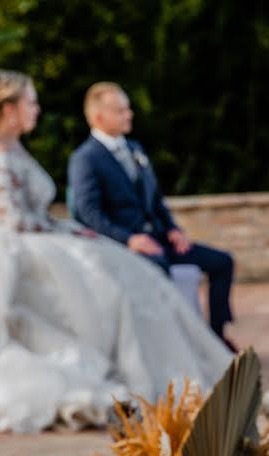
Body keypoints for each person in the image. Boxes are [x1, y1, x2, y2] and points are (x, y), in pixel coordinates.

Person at [0, 70, 232, 433]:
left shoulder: (13, 148)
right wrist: (66, 231)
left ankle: (151, 364)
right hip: (11, 248)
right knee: (105, 287)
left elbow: (33, 216)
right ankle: (121, 371)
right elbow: (15, 221)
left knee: (123, 278)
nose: (37, 110)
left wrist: (69, 229)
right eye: (31, 103)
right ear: (10, 110)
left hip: (35, 235)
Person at [68, 82, 237, 349]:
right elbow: (89, 214)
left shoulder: (135, 149)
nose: (129, 114)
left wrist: (173, 229)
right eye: (121, 110)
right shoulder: (85, 159)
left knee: (223, 262)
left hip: (160, 237)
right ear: (99, 117)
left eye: (128, 108)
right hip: (125, 247)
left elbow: (156, 199)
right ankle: (174, 346)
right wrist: (129, 240)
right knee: (160, 270)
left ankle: (216, 336)